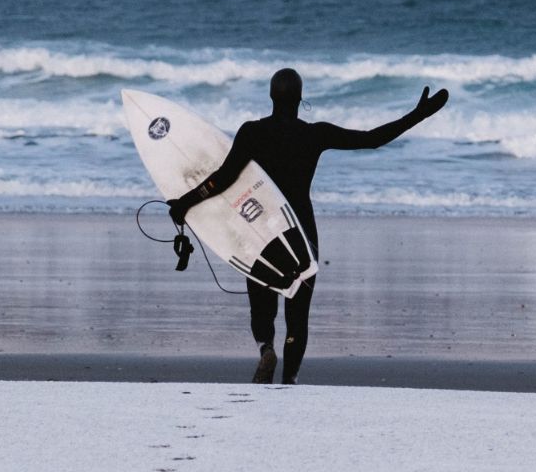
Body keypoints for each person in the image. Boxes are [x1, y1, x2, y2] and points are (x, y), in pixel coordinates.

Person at [168, 68, 448, 385]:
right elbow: (372, 139)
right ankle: (290, 380)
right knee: (297, 316)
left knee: (262, 308)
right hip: (301, 233)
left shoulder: (252, 132)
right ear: (300, 99)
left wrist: (185, 203)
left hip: (262, 234)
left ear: (271, 97)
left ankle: (265, 349)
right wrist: (416, 116)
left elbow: (223, 178)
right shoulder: (314, 134)